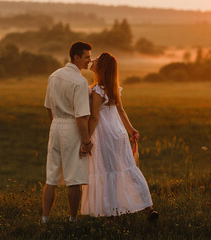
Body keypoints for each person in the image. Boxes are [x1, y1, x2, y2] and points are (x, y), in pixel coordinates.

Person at [81, 52, 158, 221]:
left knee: (107, 171)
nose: (92, 62)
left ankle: (111, 213)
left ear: (101, 68)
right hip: (119, 133)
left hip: (104, 134)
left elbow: (94, 117)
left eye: (95, 61)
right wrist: (131, 130)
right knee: (128, 169)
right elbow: (121, 110)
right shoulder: (113, 87)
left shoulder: (97, 90)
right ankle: (148, 208)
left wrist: (86, 140)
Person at [42, 41, 93, 224]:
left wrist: (56, 124)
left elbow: (48, 107)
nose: (89, 60)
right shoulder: (80, 82)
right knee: (74, 179)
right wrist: (86, 141)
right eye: (86, 57)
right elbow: (81, 116)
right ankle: (72, 219)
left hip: (55, 126)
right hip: (72, 127)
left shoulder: (54, 76)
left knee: (52, 177)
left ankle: (45, 219)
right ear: (76, 57)